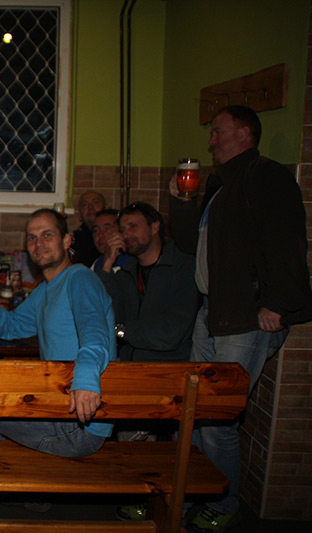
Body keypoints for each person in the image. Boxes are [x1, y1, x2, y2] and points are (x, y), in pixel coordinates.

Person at [169, 106, 312, 532]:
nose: (211, 141)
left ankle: (225, 501)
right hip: (213, 312)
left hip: (247, 318)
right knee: (193, 411)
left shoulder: (266, 177)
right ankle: (186, 492)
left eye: (218, 132)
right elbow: (189, 243)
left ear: (245, 134)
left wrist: (276, 304)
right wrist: (182, 201)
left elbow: (286, 242)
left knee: (217, 416)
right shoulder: (221, 185)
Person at [0, 208, 116, 458]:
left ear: (66, 241)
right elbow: (9, 327)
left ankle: (2, 467)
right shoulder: (45, 291)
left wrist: (86, 381)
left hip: (78, 425)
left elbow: (95, 333)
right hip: (55, 411)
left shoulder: (80, 279)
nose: (38, 243)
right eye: (32, 238)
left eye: (47, 235)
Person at [96, 202, 197, 363]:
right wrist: (107, 265)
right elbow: (105, 313)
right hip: (129, 365)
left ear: (154, 227)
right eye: (122, 229)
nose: (126, 234)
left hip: (170, 366)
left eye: (133, 226)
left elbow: (172, 332)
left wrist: (123, 331)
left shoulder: (182, 267)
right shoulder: (126, 273)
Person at [71, 190, 107, 267]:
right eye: (84, 205)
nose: (90, 207)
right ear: (80, 215)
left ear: (106, 209)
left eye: (95, 202)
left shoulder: (115, 234)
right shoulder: (76, 242)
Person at [90, 208, 129, 272]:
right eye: (96, 230)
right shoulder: (98, 263)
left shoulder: (132, 263)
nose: (100, 235)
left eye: (107, 229)